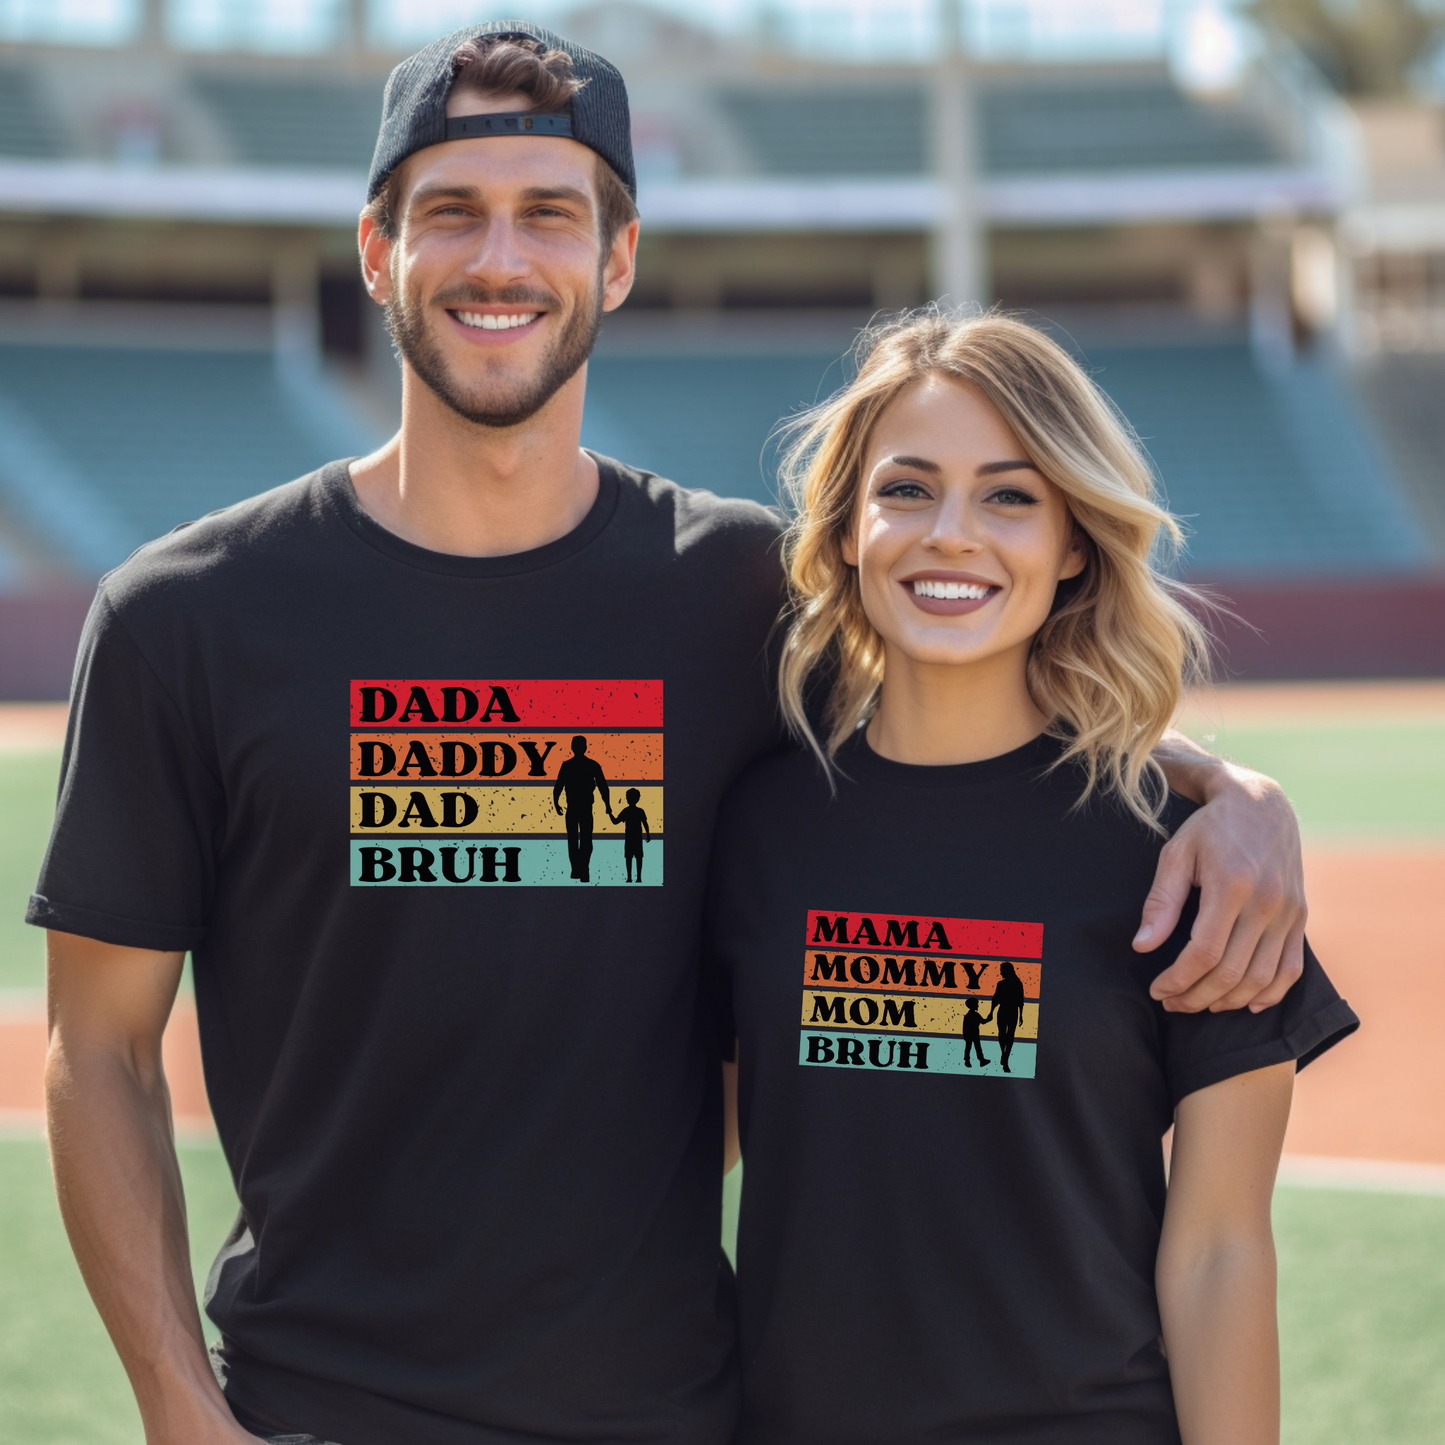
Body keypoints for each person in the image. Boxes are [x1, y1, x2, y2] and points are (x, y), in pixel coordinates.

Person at [30, 22, 1311, 1445]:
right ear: (378, 250)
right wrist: (176, 1408)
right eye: (450, 210)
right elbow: (101, 1053)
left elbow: (985, 724)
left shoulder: (745, 595)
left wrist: (1228, 791)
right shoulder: (184, 620)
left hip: (675, 1414)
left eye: (551, 215)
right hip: (325, 1405)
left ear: (617, 258)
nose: (499, 258)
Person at [706, 312, 1359, 1445]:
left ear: (1071, 542)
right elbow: (678, 1155)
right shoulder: (752, 823)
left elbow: (1215, 1249)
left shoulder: (1187, 854)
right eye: (905, 490)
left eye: (1008, 496)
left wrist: (1233, 791)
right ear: (849, 529)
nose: (950, 534)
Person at [553, 734, 611, 881]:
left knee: (575, 839)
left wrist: (556, 802)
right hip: (580, 808)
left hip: (577, 808)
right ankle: (580, 869)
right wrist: (607, 804)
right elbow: (603, 787)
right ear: (584, 747)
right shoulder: (591, 765)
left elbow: (558, 786)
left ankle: (579, 869)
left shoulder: (570, 765)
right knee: (584, 839)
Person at [614, 787, 652, 882]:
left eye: (628, 797)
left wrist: (609, 813)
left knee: (631, 858)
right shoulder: (639, 811)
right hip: (635, 838)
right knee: (635, 857)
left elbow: (615, 821)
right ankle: (635, 878)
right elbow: (645, 824)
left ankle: (632, 878)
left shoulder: (627, 811)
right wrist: (648, 834)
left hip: (631, 838)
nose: (627, 799)